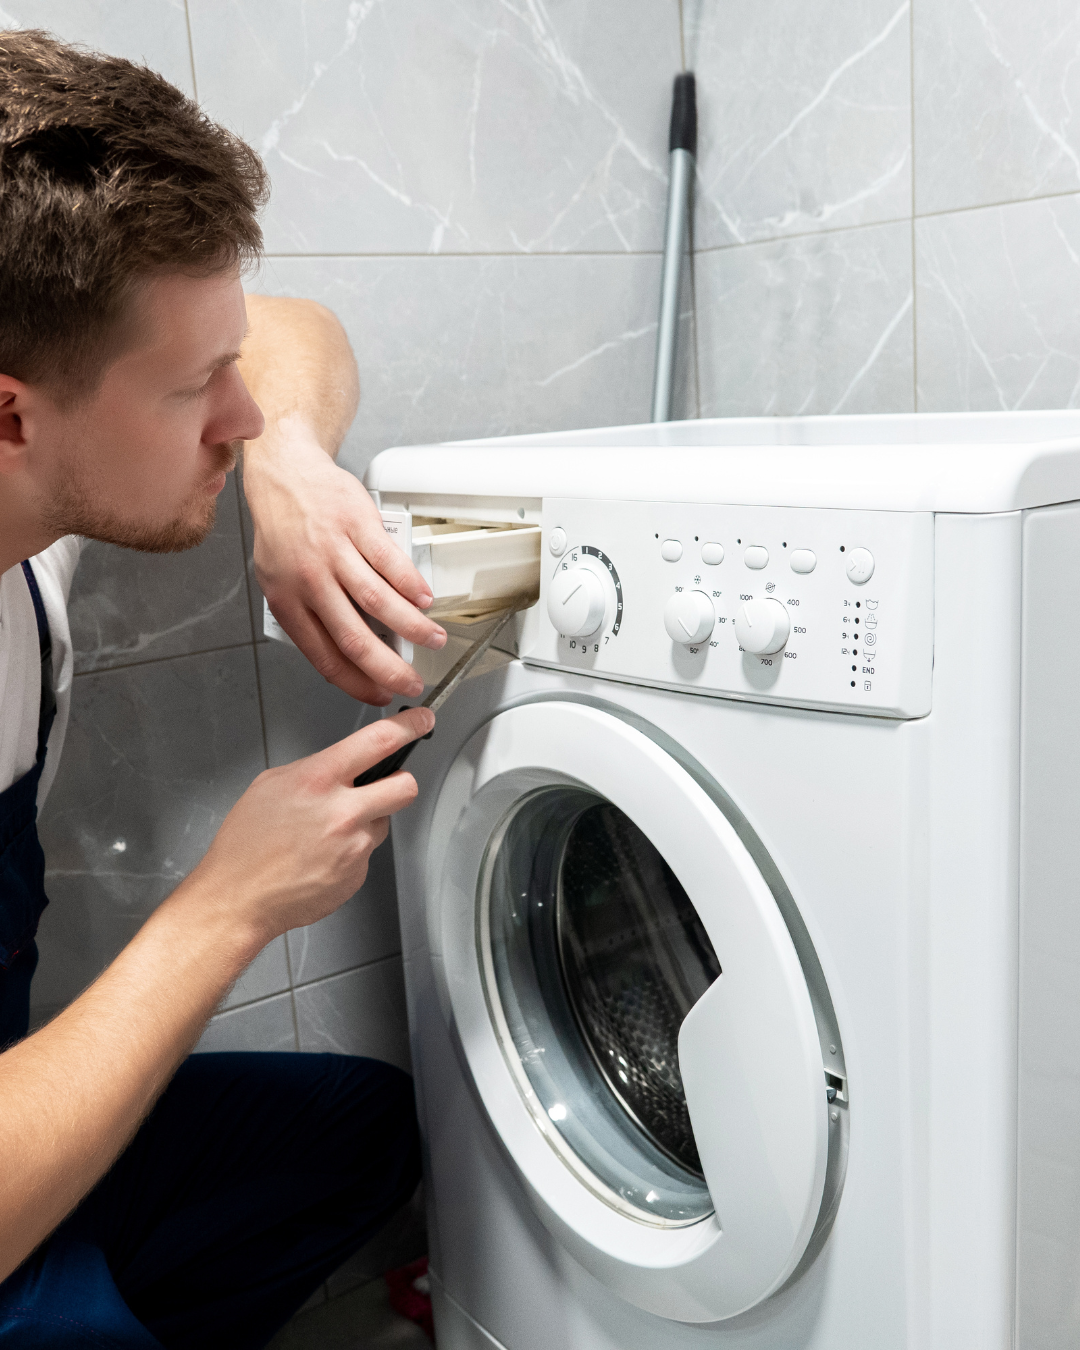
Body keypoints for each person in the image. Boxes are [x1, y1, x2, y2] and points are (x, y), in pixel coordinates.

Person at [0, 29, 448, 1347]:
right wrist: (230, 902)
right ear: (14, 415)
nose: (238, 413)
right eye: (202, 386)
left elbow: (302, 329)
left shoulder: (37, 519)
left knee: (366, 1133)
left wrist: (295, 468)